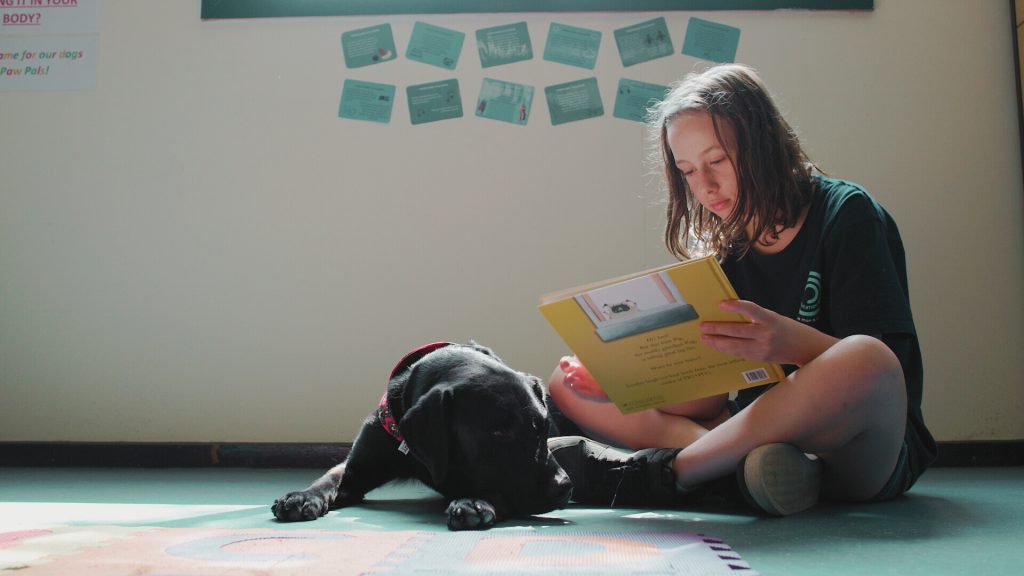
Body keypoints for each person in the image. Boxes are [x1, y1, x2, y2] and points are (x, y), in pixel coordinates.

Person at [546, 63, 936, 516]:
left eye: (716, 161)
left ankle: (678, 473)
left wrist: (790, 344)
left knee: (866, 358)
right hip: (756, 435)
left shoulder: (848, 215)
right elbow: (712, 394)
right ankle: (744, 471)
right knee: (565, 383)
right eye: (688, 171)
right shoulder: (722, 247)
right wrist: (625, 380)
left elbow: (885, 381)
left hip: (855, 450)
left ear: (762, 144)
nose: (705, 186)